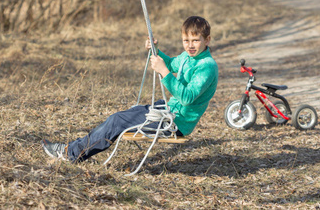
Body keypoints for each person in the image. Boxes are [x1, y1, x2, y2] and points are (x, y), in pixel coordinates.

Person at [42, 16, 218, 162]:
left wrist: (164, 71)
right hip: (167, 109)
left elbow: (187, 97)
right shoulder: (188, 57)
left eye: (195, 40)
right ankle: (73, 149)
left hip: (175, 123)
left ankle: (70, 154)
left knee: (117, 121)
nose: (190, 45)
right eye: (186, 41)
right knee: (124, 115)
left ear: (207, 40)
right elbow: (171, 63)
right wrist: (155, 52)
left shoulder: (206, 66)